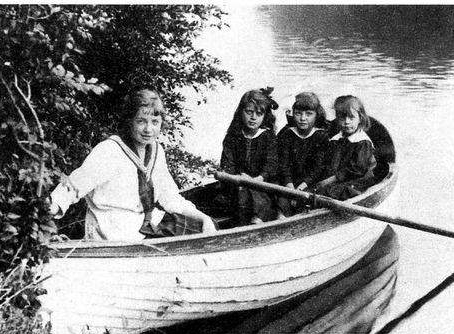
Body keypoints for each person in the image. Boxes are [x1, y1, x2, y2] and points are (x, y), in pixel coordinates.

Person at [49, 86, 217, 241]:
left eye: (155, 122)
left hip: (143, 224)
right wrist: (48, 209)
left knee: (204, 229)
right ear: (129, 121)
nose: (149, 129)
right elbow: (74, 186)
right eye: (141, 121)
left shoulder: (156, 151)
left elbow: (169, 196)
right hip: (112, 231)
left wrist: (203, 218)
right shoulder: (109, 150)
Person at [220, 88, 279, 225]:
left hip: (262, 183)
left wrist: (257, 179)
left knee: (258, 194)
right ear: (241, 112)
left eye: (259, 114)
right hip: (237, 183)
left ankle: (257, 219)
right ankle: (245, 221)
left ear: (265, 116)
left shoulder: (268, 137)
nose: (253, 117)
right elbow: (227, 165)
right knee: (240, 193)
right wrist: (240, 179)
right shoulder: (232, 137)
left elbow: (271, 165)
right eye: (249, 112)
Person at [277, 92, 329, 217]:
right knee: (280, 198)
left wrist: (301, 187)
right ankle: (280, 217)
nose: (303, 118)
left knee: (308, 200)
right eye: (298, 113)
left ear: (316, 116)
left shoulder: (321, 136)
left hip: (309, 182)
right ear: (293, 114)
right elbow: (283, 164)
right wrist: (289, 185)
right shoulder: (287, 135)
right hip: (289, 181)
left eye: (308, 114)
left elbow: (318, 167)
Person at [316, 95, 377, 201]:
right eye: (342, 117)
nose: (347, 122)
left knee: (330, 192)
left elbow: (357, 169)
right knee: (316, 189)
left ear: (360, 118)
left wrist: (331, 180)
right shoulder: (336, 139)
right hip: (339, 179)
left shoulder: (362, 142)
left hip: (358, 180)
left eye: (351, 117)